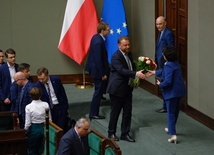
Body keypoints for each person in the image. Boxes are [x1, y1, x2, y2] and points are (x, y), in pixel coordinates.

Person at [106, 36, 146, 142]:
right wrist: (135, 74)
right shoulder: (115, 57)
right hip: (117, 90)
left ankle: (125, 133)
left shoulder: (129, 54)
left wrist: (142, 69)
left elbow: (131, 67)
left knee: (127, 112)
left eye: (128, 44)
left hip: (127, 88)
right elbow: (121, 70)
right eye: (125, 45)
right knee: (115, 112)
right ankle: (111, 133)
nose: (128, 47)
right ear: (119, 45)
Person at [148, 46, 186, 144]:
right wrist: (154, 72)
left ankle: (173, 134)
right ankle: (171, 128)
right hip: (179, 92)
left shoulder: (168, 65)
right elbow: (164, 71)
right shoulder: (174, 63)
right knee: (175, 111)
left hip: (171, 93)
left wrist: (160, 84)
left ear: (166, 56)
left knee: (170, 113)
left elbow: (168, 81)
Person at [85, 22, 110, 120]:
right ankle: (93, 113)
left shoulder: (96, 37)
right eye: (108, 29)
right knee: (97, 92)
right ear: (102, 31)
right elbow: (98, 59)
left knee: (99, 90)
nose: (109, 31)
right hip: (98, 71)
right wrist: (102, 74)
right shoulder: (98, 42)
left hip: (96, 69)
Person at [34, 67, 69, 131]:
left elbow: (62, 93)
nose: (41, 81)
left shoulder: (56, 80)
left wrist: (66, 107)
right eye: (39, 79)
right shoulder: (37, 85)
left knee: (61, 128)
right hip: (48, 109)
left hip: (59, 107)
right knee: (52, 128)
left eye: (43, 79)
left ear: (48, 75)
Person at [155, 16, 175, 113]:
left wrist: (166, 62)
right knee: (162, 84)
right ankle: (165, 106)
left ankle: (166, 107)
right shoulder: (161, 32)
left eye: (160, 24)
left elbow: (170, 49)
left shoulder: (168, 33)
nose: (158, 26)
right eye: (157, 24)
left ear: (165, 23)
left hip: (165, 64)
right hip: (160, 63)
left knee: (165, 85)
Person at [25, 87, 52, 155]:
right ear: (40, 95)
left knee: (33, 149)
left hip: (34, 129)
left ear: (31, 96)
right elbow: (50, 119)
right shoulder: (45, 104)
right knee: (43, 148)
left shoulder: (28, 107)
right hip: (45, 128)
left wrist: (25, 130)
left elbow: (28, 122)